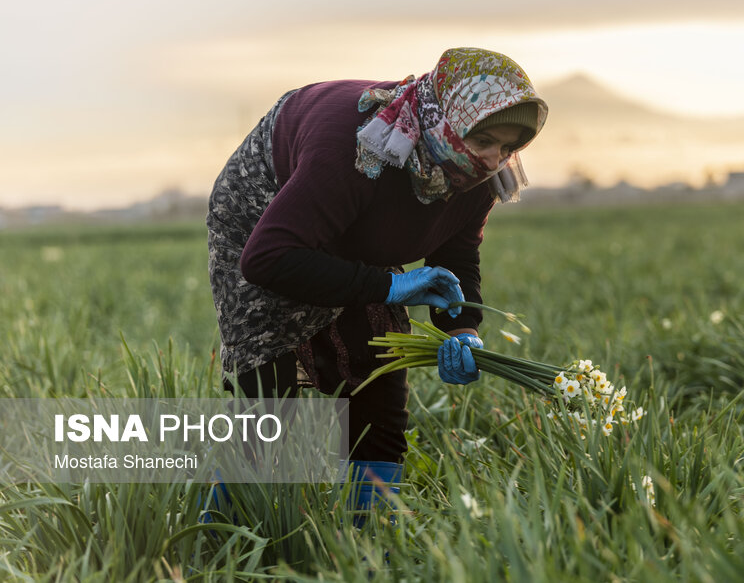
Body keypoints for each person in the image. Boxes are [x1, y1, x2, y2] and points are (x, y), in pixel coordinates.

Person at [205, 47, 548, 512]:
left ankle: (372, 544)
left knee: (378, 378)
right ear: (445, 120)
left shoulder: (474, 175)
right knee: (275, 399)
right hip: (268, 216)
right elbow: (267, 258)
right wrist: (389, 286)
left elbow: (457, 253)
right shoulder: (356, 147)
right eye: (484, 140)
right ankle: (226, 534)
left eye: (509, 148)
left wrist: (462, 330)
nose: (494, 160)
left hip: (359, 227)